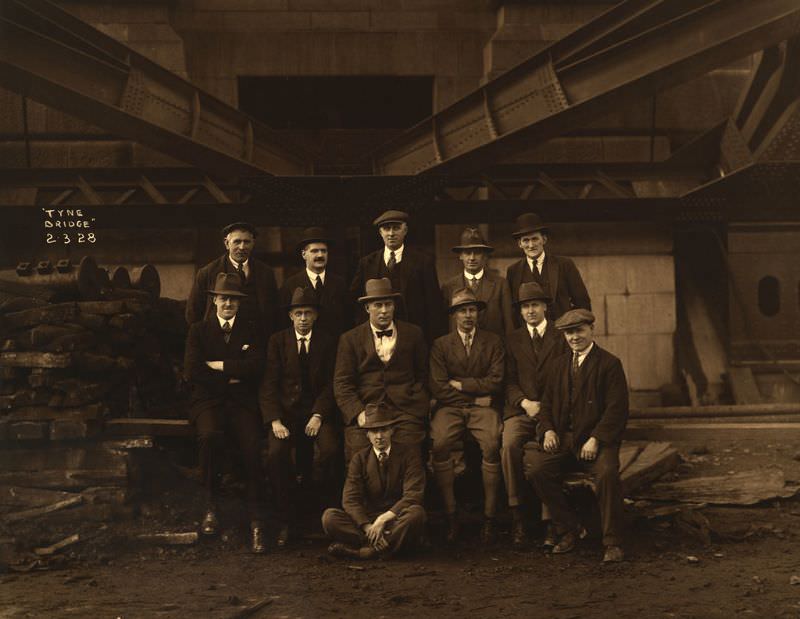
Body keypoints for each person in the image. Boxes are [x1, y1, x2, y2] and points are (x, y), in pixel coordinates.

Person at [524, 309, 629, 563]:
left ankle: (612, 542)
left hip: (595, 441)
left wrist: (597, 439)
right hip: (564, 439)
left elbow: (617, 409)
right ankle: (570, 527)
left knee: (606, 474)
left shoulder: (609, 364)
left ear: (592, 330)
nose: (574, 337)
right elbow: (546, 405)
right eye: (569, 333)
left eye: (579, 330)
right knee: (537, 470)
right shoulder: (557, 365)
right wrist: (547, 429)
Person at [183, 272, 267, 554]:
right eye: (223, 298)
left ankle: (257, 519)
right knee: (209, 436)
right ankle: (210, 505)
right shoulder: (199, 330)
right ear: (214, 300)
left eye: (233, 299)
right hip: (207, 401)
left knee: (253, 446)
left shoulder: (251, 330)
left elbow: (256, 367)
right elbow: (192, 371)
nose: (228, 303)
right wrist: (231, 373)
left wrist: (219, 366)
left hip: (241, 403)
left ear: (239, 303)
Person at [259, 287, 340, 547]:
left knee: (330, 451)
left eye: (308, 313)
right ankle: (286, 517)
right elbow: (269, 385)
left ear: (315, 316)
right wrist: (275, 421)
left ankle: (324, 515)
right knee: (276, 454)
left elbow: (331, 385)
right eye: (298, 313)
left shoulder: (327, 342)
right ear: (291, 316)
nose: (303, 318)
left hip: (317, 413)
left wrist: (318, 415)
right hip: (285, 415)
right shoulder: (277, 341)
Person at [429, 288, 505, 544]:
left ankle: (490, 518)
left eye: (472, 310)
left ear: (478, 313)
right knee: (439, 443)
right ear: (454, 315)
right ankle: (451, 516)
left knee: (493, 444)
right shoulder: (441, 345)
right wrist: (474, 395)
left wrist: (461, 385)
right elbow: (439, 386)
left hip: (483, 410)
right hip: (450, 408)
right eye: (462, 310)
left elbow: (495, 381)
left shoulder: (493, 341)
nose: (468, 315)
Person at [501, 282, 569, 548]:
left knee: (548, 448)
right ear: (520, 311)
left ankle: (549, 520)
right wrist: (524, 402)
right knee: (508, 446)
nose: (530, 310)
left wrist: (547, 408)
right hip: (522, 410)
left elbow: (566, 379)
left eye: (535, 305)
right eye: (525, 306)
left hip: (552, 412)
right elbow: (508, 381)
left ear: (545, 307)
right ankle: (518, 514)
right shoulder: (513, 339)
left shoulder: (560, 336)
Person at [334, 278, 429, 462]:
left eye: (388, 304)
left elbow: (423, 374)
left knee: (410, 450)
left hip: (405, 410)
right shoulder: (350, 339)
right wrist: (357, 413)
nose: (384, 311)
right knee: (359, 454)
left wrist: (415, 402)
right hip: (367, 409)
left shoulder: (414, 333)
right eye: (378, 305)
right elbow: (342, 383)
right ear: (367, 308)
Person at [321, 402, 426, 560]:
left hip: (395, 519)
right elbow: (350, 500)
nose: (379, 436)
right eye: (374, 431)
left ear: (392, 430)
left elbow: (413, 495)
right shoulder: (359, 459)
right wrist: (368, 526)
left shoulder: (409, 455)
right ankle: (384, 547)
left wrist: (382, 520)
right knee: (329, 517)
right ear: (367, 434)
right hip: (367, 521)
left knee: (417, 514)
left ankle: (363, 551)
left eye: (383, 430)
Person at [350, 210, 443, 342]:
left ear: (405, 230)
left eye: (396, 228)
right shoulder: (367, 263)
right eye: (386, 229)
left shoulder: (422, 262)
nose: (391, 233)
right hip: (376, 337)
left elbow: (433, 305)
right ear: (380, 232)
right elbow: (356, 302)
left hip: (413, 337)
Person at [186, 221, 279, 337]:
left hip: (257, 340)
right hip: (220, 340)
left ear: (253, 243)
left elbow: (274, 311)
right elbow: (193, 313)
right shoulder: (208, 273)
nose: (242, 247)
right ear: (226, 243)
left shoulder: (266, 273)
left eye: (247, 242)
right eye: (237, 242)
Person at [505, 212, 590, 325]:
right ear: (519, 244)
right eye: (526, 240)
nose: (531, 245)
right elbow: (513, 311)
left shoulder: (564, 264)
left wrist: (573, 329)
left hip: (561, 333)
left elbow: (582, 302)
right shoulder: (513, 271)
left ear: (544, 239)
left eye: (535, 239)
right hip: (530, 336)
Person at [440, 227, 514, 336]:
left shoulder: (500, 284)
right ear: (460, 255)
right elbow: (444, 326)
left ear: (485, 256)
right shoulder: (449, 287)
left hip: (494, 350)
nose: (472, 258)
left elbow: (509, 324)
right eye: (467, 253)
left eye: (477, 253)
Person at [279, 227, 350, 338]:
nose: (320, 255)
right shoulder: (290, 285)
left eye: (324, 251)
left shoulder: (340, 284)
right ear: (304, 254)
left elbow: (347, 320)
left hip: (334, 347)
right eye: (314, 251)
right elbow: (284, 322)